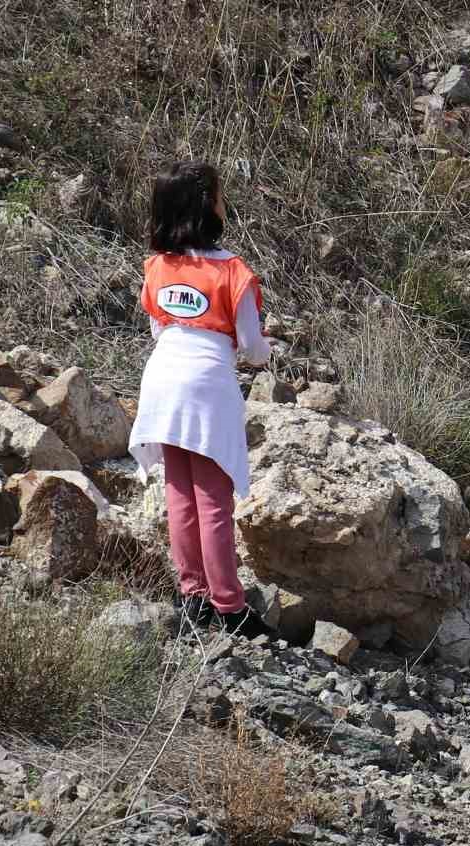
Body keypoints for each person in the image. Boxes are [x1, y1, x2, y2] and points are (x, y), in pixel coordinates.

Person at [128, 161, 272, 634]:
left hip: (162, 380)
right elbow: (252, 351)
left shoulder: (156, 266)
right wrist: (264, 352)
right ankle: (230, 607)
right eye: (220, 196)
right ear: (209, 207)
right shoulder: (234, 271)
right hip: (208, 385)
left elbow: (157, 328)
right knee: (214, 501)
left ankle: (194, 597)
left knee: (180, 496)